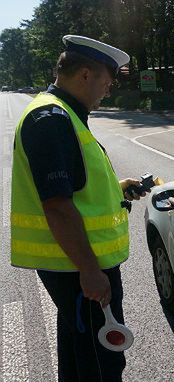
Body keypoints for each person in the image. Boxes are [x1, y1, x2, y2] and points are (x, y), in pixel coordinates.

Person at [10, 35, 144, 382]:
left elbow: (75, 187)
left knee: (78, 349)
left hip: (76, 267)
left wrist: (119, 188)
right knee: (101, 362)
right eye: (106, 80)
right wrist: (90, 271)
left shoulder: (62, 112)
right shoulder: (52, 119)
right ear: (85, 74)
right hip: (79, 268)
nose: (108, 90)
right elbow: (56, 205)